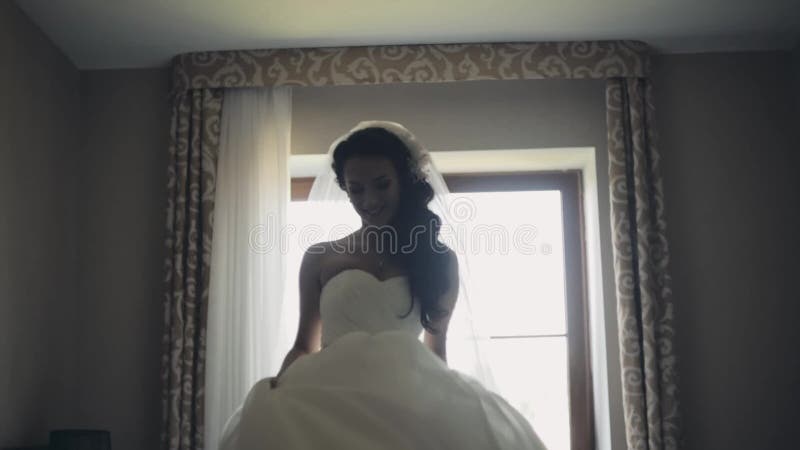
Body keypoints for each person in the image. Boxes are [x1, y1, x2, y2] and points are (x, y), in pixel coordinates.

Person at [219, 122, 547, 450]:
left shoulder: (437, 259)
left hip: (405, 407)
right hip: (328, 403)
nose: (370, 199)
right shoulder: (320, 256)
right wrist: (277, 397)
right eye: (356, 189)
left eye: (381, 184)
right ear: (345, 190)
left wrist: (446, 414)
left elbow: (436, 351)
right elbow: (305, 345)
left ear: (403, 182)